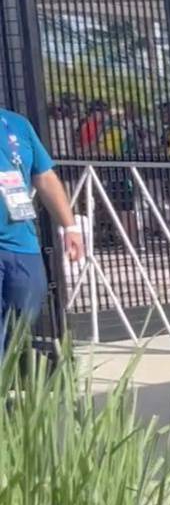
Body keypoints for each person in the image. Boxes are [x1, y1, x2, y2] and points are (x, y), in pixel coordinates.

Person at [0, 107, 83, 356]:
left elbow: (45, 177)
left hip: (21, 241)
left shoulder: (17, 124)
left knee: (23, 314)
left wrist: (70, 226)